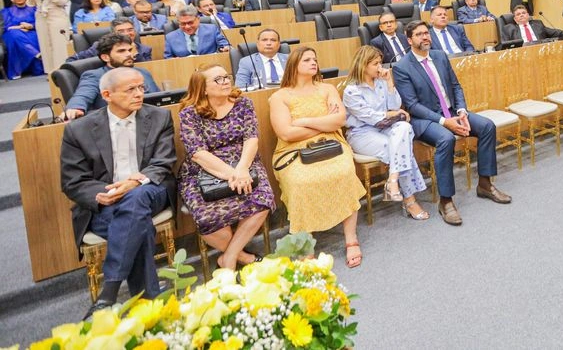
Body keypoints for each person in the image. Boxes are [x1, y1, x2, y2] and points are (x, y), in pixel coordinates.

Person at [61, 67, 176, 318]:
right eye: (130, 89)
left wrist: (134, 183)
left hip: (148, 188)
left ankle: (109, 293)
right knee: (138, 222)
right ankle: (148, 296)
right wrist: (101, 193)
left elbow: (163, 163)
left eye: (141, 88)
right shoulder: (78, 130)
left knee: (135, 199)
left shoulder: (159, 117)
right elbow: (73, 181)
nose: (139, 94)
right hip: (106, 202)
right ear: (106, 94)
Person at [393, 20, 510, 226]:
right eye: (419, 34)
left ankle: (485, 183)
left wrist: (462, 111)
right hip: (425, 120)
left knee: (487, 126)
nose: (425, 37)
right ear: (409, 40)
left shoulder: (439, 56)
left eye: (426, 33)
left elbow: (456, 86)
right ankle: (446, 201)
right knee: (446, 138)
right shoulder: (402, 67)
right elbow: (412, 105)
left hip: (453, 112)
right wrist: (444, 121)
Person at [268, 48, 365, 267]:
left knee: (344, 171)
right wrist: (322, 123)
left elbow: (339, 120)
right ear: (294, 64)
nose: (314, 62)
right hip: (293, 150)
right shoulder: (279, 97)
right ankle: (306, 244)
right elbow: (286, 133)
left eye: (315, 59)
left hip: (331, 144)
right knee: (301, 181)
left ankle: (351, 238)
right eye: (307, 59)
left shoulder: (327, 88)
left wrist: (302, 121)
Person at [177, 65, 275, 270]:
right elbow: (198, 153)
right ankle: (244, 257)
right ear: (203, 88)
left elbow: (251, 139)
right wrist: (233, 174)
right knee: (208, 220)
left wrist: (242, 169)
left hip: (245, 162)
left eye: (226, 77)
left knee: (262, 199)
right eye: (218, 80)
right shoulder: (189, 113)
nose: (225, 82)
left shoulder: (243, 103)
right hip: (203, 172)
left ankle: (228, 259)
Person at [343, 46, 429, 220]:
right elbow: (371, 117)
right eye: (375, 64)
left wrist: (390, 83)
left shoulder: (381, 81)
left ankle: (393, 181)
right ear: (363, 65)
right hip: (362, 134)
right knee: (398, 148)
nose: (380, 67)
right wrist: (394, 114)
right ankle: (410, 201)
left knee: (405, 128)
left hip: (385, 128)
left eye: (379, 63)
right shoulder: (351, 90)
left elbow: (395, 106)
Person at [64, 34, 160, 120]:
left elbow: (159, 97)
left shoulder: (143, 72)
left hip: (150, 120)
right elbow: (82, 96)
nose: (129, 54)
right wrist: (76, 108)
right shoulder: (95, 75)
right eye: (121, 51)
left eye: (130, 50)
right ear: (106, 57)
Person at [28, 0, 72, 73]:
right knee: (45, 45)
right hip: (41, 18)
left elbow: (62, 1)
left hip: (57, 17)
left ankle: (62, 71)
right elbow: (30, 4)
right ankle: (49, 71)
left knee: (59, 44)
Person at [67, 16, 153, 64]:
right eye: (121, 31)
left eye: (130, 29)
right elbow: (72, 60)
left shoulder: (145, 49)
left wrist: (135, 53)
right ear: (113, 33)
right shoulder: (100, 46)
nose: (127, 33)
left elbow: (147, 69)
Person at [1, 0, 44, 79]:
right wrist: (21, 27)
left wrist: (30, 26)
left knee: (29, 37)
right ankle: (35, 54)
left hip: (31, 31)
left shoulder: (34, 9)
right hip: (11, 34)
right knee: (14, 35)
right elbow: (8, 27)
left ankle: (33, 63)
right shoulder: (6, 11)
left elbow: (40, 23)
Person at [163, 7, 230, 59]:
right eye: (183, 24)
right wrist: (173, 60)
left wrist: (225, 48)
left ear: (198, 19)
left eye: (190, 23)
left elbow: (224, 45)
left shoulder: (212, 29)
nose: (187, 27)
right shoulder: (170, 37)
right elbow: (167, 58)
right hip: (184, 69)